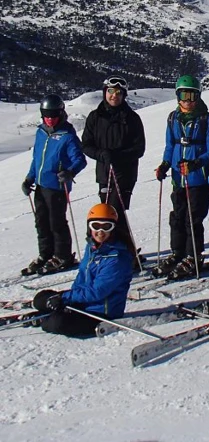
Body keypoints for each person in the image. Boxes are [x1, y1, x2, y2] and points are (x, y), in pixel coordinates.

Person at [154, 75, 209, 279]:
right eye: (184, 95)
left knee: (193, 219)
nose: (188, 100)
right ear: (178, 96)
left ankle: (193, 256)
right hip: (178, 178)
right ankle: (178, 253)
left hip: (198, 179)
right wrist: (166, 164)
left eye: (193, 95)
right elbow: (170, 145)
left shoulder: (206, 120)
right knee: (177, 217)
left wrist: (197, 163)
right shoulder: (173, 119)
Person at [32, 203, 134, 337]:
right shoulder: (92, 248)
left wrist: (65, 298)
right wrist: (66, 300)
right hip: (82, 306)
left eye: (106, 227)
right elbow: (82, 278)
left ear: (113, 229)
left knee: (56, 323)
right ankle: (51, 312)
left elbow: (97, 292)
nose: (100, 231)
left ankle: (49, 317)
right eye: (96, 226)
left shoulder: (117, 258)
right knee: (40, 298)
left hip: (100, 314)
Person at [81, 75, 146, 265]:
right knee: (107, 214)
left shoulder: (131, 118)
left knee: (115, 213)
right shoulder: (95, 116)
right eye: (111, 91)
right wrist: (101, 154)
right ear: (104, 92)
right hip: (103, 173)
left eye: (118, 93)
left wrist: (118, 156)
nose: (114, 96)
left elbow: (139, 148)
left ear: (124, 95)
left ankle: (127, 255)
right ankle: (115, 252)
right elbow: (86, 144)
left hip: (124, 173)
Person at [21, 94, 87, 276]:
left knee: (56, 222)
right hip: (41, 185)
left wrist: (70, 172)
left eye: (53, 115)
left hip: (57, 187)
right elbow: (37, 159)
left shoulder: (67, 135)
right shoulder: (41, 132)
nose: (50, 119)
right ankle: (46, 254)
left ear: (61, 113)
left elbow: (80, 160)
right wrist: (29, 178)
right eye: (46, 115)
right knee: (41, 222)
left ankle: (63, 256)